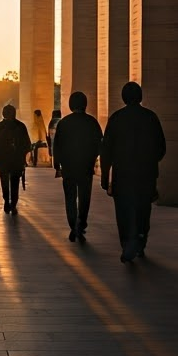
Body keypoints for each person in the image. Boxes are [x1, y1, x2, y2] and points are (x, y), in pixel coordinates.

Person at [100, 81, 166, 262]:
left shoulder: (116, 118)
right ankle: (140, 240)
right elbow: (161, 148)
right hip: (146, 174)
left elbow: (106, 151)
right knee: (143, 209)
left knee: (123, 211)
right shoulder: (151, 117)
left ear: (123, 98)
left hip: (123, 174)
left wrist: (105, 178)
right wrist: (150, 162)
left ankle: (127, 242)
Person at [51, 91, 103, 243]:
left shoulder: (64, 123)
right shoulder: (92, 122)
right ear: (85, 104)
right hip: (86, 166)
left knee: (70, 197)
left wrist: (57, 164)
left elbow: (57, 146)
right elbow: (100, 144)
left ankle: (73, 224)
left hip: (68, 166)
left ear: (71, 105)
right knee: (85, 196)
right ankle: (81, 222)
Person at [0, 104, 32, 214]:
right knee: (15, 182)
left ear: (3, 113)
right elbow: (27, 144)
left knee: (4, 181)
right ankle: (13, 204)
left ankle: (6, 201)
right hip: (16, 160)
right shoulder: (20, 126)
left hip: (2, 160)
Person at [48, 109, 62, 175]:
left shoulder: (52, 121)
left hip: (53, 138)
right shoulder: (61, 121)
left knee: (55, 152)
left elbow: (49, 132)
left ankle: (57, 168)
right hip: (60, 138)